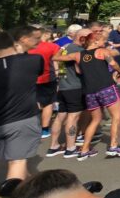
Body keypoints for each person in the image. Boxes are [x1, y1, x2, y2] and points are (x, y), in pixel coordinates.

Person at [0, 30, 44, 186]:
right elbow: (39, 71)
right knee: (17, 162)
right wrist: (18, 51)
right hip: (24, 119)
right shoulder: (34, 60)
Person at [57, 28, 120, 160]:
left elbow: (56, 57)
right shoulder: (102, 51)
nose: (105, 42)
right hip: (106, 88)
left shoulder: (78, 55)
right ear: (95, 41)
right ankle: (114, 146)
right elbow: (113, 63)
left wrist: (64, 48)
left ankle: (84, 149)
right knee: (117, 116)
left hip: (90, 92)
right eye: (102, 40)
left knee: (95, 120)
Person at [46, 27, 86, 159]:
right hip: (75, 86)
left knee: (60, 116)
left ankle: (53, 146)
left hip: (63, 85)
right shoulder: (78, 50)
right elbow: (80, 70)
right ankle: (70, 148)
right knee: (72, 117)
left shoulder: (64, 47)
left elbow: (55, 60)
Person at [25, 27, 60, 139]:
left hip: (29, 78)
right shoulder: (53, 46)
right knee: (48, 104)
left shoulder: (27, 47)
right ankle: (44, 129)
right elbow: (55, 61)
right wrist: (57, 73)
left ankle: (31, 127)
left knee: (33, 102)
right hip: (47, 77)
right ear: (46, 35)